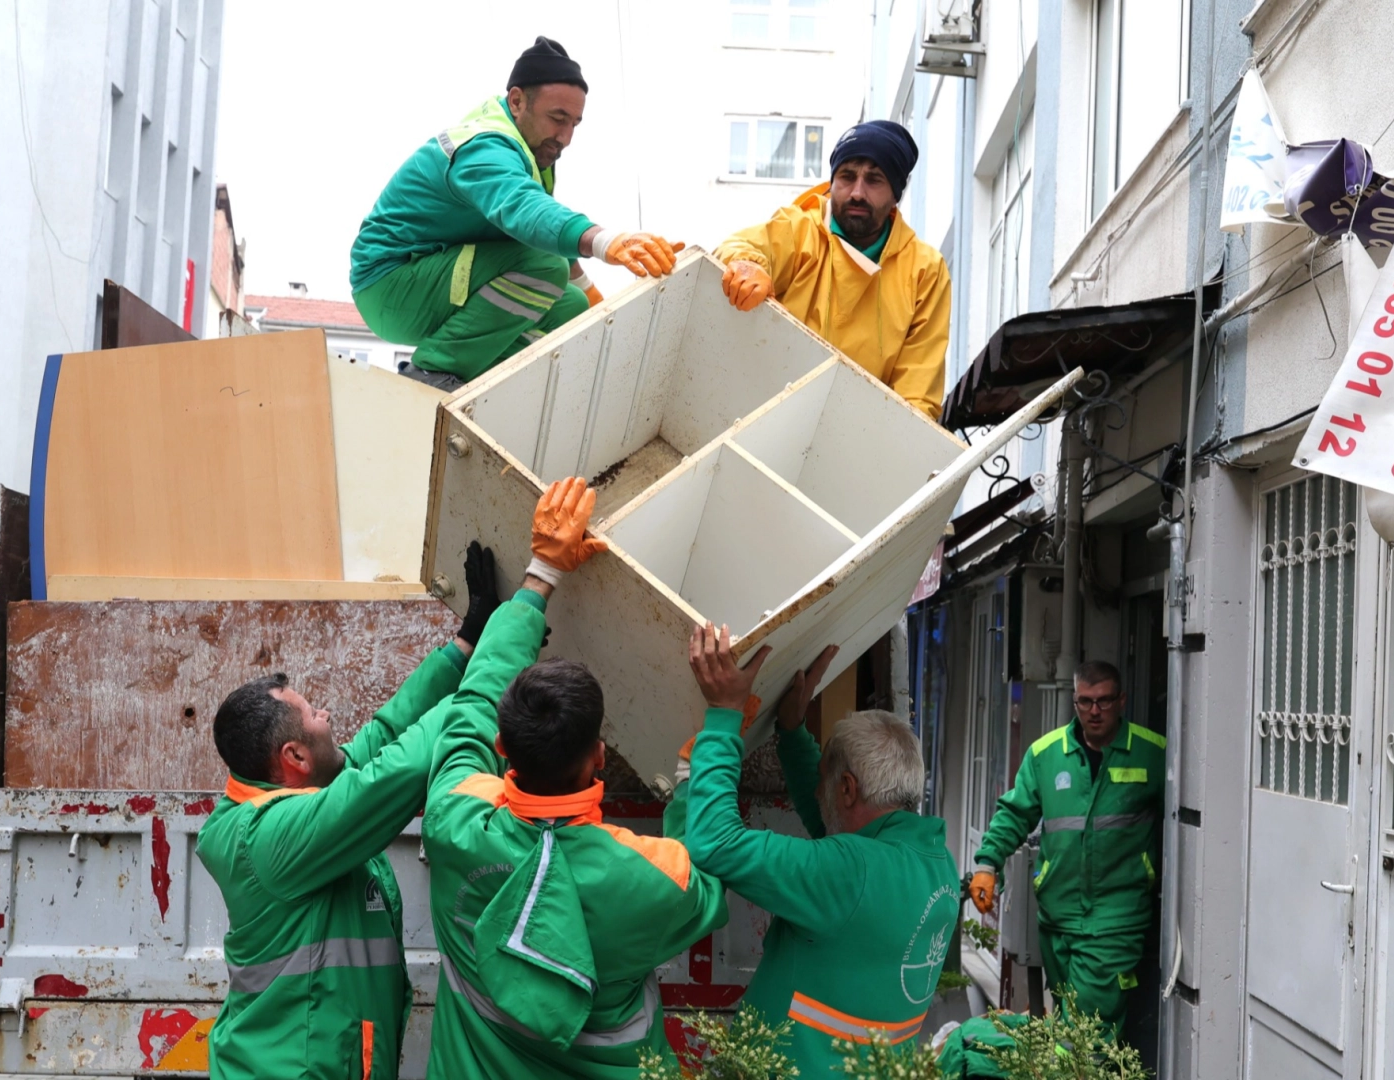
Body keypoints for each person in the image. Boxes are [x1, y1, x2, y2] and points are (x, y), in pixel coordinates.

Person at [422, 477, 729, 1078]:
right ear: (600, 756)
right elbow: (710, 876)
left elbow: (473, 704)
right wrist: (706, 749)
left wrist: (541, 574)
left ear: (502, 749)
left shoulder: (454, 819)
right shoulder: (650, 877)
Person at [194, 542, 504, 1080]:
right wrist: (495, 666)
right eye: (313, 713)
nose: (326, 713)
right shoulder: (269, 837)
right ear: (294, 757)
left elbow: (382, 739)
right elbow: (393, 776)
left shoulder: (285, 795)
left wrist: (467, 644)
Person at [679, 630, 961, 1078]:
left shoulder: (848, 874)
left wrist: (724, 715)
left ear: (847, 788)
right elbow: (839, 831)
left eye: (825, 779)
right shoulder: (936, 863)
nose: (816, 790)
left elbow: (714, 840)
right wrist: (793, 732)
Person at [352, 37, 683, 393]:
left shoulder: (530, 154)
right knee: (544, 267)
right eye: (557, 118)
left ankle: (484, 387)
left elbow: (545, 234)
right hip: (390, 287)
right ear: (516, 101)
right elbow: (525, 209)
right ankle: (434, 371)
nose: (566, 137)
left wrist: (598, 307)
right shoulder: (484, 146)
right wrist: (604, 241)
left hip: (434, 284)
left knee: (570, 309)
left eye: (574, 124)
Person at [967, 660, 1165, 1039]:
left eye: (1104, 701)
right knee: (1069, 1026)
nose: (1095, 711)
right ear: (1075, 701)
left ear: (1121, 701)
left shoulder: (1153, 754)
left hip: (1114, 922)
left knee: (1087, 1034)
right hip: (1056, 919)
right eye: (1085, 701)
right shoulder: (1046, 755)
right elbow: (1015, 813)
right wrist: (988, 864)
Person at [713, 120, 951, 420]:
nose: (857, 192)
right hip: (766, 412)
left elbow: (917, 398)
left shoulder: (925, 271)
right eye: (847, 176)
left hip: (858, 432)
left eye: (874, 179)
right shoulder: (800, 230)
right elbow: (739, 246)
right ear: (832, 182)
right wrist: (748, 265)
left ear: (896, 194)